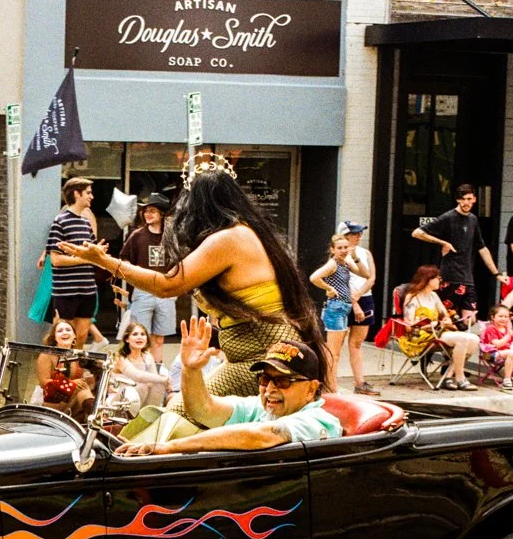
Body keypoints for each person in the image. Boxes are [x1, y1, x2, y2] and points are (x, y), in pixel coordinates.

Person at [58, 157, 330, 402]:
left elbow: (167, 285)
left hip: (261, 360)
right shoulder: (247, 232)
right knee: (184, 399)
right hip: (256, 355)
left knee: (182, 408)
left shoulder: (229, 239)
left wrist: (104, 261)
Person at [116, 319, 340, 456]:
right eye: (264, 380)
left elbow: (261, 436)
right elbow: (204, 409)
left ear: (311, 389)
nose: (270, 388)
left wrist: (168, 448)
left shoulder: (317, 420)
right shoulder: (260, 407)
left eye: (282, 381)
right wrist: (190, 370)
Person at [412, 184, 506, 327]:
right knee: (446, 315)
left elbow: (482, 248)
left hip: (467, 277)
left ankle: (454, 342)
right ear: (458, 200)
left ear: (474, 199)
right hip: (449, 276)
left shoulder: (473, 220)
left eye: (469, 199)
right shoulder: (448, 217)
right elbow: (417, 232)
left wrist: (496, 273)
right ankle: (448, 343)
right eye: (463, 199)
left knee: (470, 319)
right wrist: (443, 242)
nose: (466, 203)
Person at [397, 265, 480, 391]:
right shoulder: (412, 297)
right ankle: (460, 378)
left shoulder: (434, 296)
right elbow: (409, 325)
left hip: (438, 332)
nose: (440, 281)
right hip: (420, 336)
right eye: (437, 278)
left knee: (474, 339)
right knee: (463, 339)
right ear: (427, 279)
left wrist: (445, 320)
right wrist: (430, 324)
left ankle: (448, 376)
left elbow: (445, 315)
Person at [308, 233, 370, 394]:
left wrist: (355, 257)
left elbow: (365, 274)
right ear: (332, 250)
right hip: (335, 308)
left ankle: (330, 386)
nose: (343, 250)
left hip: (343, 307)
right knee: (332, 352)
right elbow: (314, 277)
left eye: (345, 247)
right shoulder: (333, 264)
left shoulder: (345, 263)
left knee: (336, 352)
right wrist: (329, 288)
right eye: (340, 248)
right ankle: (330, 388)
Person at [117, 193, 174, 366]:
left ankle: (157, 375)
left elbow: (182, 260)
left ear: (162, 214)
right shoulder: (137, 236)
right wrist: (136, 276)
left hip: (166, 291)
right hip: (143, 291)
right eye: (145, 211)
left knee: (159, 339)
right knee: (141, 338)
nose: (147, 214)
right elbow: (123, 260)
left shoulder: (171, 236)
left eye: (152, 211)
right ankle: (141, 374)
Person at [45, 177, 99, 348]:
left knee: (81, 336)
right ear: (77, 194)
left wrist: (99, 253)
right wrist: (84, 258)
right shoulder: (59, 222)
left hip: (87, 289)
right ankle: (56, 371)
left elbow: (93, 252)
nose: (92, 196)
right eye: (88, 193)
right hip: (65, 291)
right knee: (60, 336)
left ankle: (75, 370)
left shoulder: (86, 223)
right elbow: (56, 259)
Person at [340, 221, 380, 396]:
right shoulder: (339, 253)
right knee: (336, 344)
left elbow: (371, 277)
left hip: (364, 297)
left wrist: (358, 296)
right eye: (355, 233)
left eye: (360, 233)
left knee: (356, 343)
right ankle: (329, 381)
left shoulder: (365, 253)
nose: (359, 236)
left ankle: (360, 382)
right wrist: (353, 302)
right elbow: (340, 281)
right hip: (344, 300)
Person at [36, 319, 95, 422]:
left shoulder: (77, 355)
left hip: (76, 399)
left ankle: (94, 416)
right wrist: (71, 384)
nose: (64, 333)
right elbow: (43, 382)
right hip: (53, 400)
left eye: (68, 330)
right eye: (60, 331)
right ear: (54, 337)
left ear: (74, 336)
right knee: (81, 390)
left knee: (85, 387)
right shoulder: (46, 355)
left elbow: (81, 380)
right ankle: (96, 417)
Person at [113, 321, 169, 410]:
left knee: (158, 385)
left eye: (143, 334)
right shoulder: (120, 358)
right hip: (118, 400)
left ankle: (149, 416)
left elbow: (154, 379)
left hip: (141, 397)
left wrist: (163, 381)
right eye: (135, 334)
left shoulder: (147, 356)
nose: (139, 337)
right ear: (127, 339)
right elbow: (137, 376)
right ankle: (138, 418)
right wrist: (165, 379)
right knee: (143, 386)